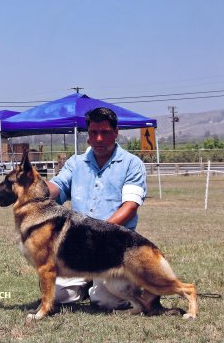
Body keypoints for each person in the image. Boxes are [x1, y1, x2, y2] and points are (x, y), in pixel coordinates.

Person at [46, 107, 147, 310]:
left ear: (116, 132)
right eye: (93, 133)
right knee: (57, 296)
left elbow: (130, 207)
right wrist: (35, 187)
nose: (99, 138)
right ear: (88, 134)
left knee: (106, 302)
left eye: (105, 132)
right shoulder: (75, 163)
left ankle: (118, 285)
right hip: (77, 247)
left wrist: (97, 234)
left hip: (114, 247)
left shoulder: (132, 164)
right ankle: (86, 284)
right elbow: (56, 188)